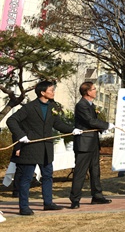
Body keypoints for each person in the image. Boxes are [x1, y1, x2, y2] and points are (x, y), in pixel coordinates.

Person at [7, 80, 80, 215]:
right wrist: (21, 135)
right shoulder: (29, 107)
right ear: (42, 92)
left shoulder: (53, 106)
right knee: (26, 179)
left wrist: (72, 130)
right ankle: (23, 207)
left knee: (47, 176)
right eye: (51, 90)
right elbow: (11, 120)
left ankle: (48, 203)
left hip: (46, 149)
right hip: (30, 149)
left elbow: (58, 124)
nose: (53, 92)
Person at [69, 82, 114, 209]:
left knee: (95, 171)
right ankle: (75, 199)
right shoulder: (81, 105)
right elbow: (90, 121)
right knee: (80, 172)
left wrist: (102, 129)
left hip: (93, 143)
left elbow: (92, 124)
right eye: (94, 89)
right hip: (83, 143)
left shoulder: (91, 105)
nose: (96, 91)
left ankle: (97, 196)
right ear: (87, 92)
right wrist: (106, 125)